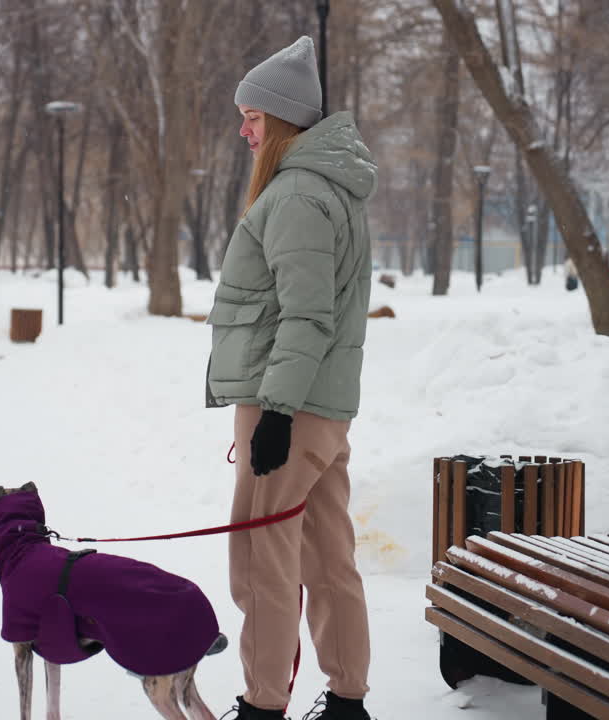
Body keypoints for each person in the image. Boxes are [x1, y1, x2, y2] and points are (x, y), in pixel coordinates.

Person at [205, 36, 376, 720]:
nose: (243, 129)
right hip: (322, 410)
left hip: (291, 405)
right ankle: (346, 701)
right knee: (330, 557)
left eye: (252, 116)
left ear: (280, 120)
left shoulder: (299, 195)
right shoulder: (325, 187)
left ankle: (262, 705)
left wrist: (273, 412)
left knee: (262, 561)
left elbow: (308, 314)